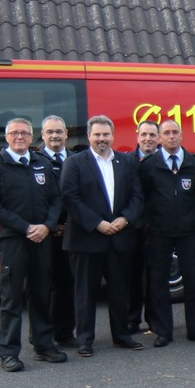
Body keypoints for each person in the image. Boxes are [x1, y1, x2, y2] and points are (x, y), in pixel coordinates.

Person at [0, 118, 65, 371]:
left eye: (24, 133)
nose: (19, 137)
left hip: (41, 238)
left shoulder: (42, 163)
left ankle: (43, 345)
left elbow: (55, 199)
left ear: (32, 137)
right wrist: (26, 227)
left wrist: (47, 226)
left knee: (41, 293)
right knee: (12, 297)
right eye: (14, 133)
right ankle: (8, 352)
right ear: (6, 137)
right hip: (13, 239)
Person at [61, 115, 145, 356]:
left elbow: (138, 197)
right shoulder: (75, 163)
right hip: (87, 239)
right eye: (97, 134)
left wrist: (125, 218)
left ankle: (121, 335)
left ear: (113, 136)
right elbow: (70, 198)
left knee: (120, 291)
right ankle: (85, 339)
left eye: (106, 134)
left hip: (119, 237)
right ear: (89, 136)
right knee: (85, 292)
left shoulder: (126, 162)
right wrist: (97, 223)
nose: (101, 139)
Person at [139, 119, 195, 346]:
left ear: (181, 136)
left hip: (190, 233)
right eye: (166, 133)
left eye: (175, 132)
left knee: (194, 282)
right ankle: (163, 331)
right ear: (160, 137)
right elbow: (143, 197)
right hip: (159, 233)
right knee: (158, 283)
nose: (171, 136)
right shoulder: (149, 165)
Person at [38, 115, 76, 347]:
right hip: (45, 233)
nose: (55, 135)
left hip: (71, 232)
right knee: (42, 286)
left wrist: (69, 225)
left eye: (59, 131)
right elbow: (35, 199)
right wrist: (52, 226)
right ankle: (43, 335)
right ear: (42, 135)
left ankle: (64, 332)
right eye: (50, 131)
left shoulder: (76, 159)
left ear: (66, 134)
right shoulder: (34, 160)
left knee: (67, 284)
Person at [127, 119, 160, 334]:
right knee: (132, 276)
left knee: (155, 276)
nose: (148, 138)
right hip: (132, 227)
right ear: (137, 135)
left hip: (158, 227)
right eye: (144, 134)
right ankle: (132, 320)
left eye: (152, 135)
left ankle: (155, 320)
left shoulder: (164, 161)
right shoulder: (126, 161)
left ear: (158, 138)